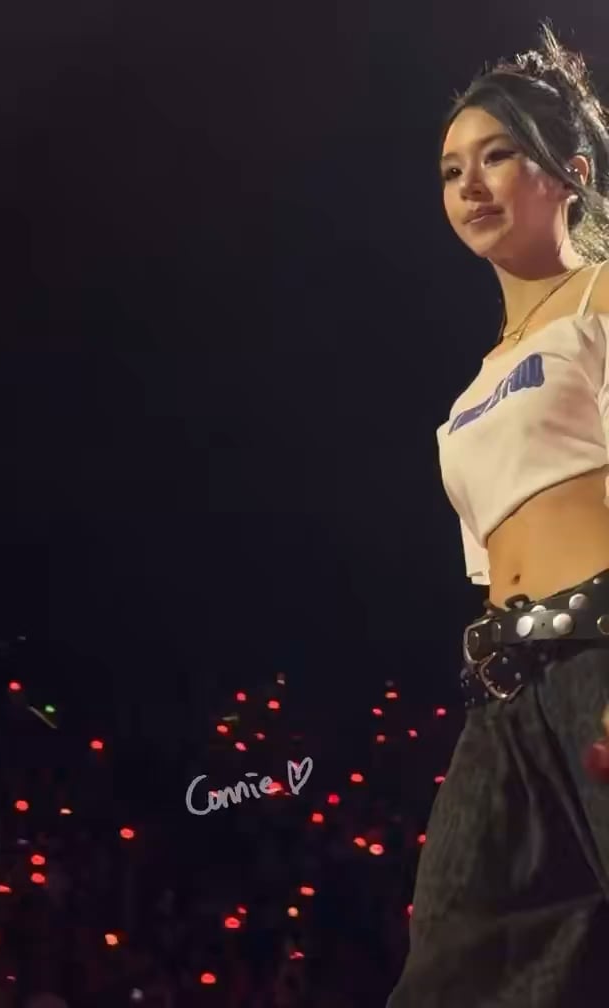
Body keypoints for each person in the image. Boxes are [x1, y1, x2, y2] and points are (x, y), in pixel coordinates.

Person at [387, 22, 609, 1008]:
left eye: (498, 155)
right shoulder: (472, 388)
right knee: (458, 966)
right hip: (505, 696)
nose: (470, 185)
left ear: (569, 173)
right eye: (451, 170)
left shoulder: (601, 297)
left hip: (601, 649)